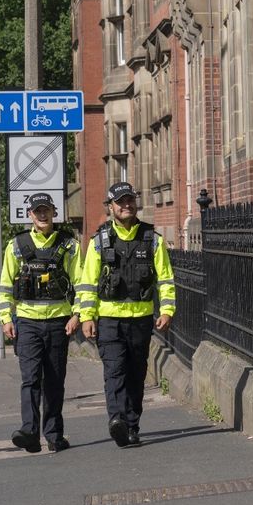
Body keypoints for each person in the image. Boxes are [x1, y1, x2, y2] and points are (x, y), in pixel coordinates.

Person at [78, 182, 176, 447]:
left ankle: (132, 426)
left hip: (141, 320)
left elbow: (165, 279)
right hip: (109, 320)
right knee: (115, 371)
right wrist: (87, 316)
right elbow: (87, 283)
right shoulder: (99, 241)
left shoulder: (152, 239)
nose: (126, 205)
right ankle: (117, 420)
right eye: (120, 202)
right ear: (111, 207)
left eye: (130, 200)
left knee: (136, 374)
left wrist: (166, 310)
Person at [0, 192, 81, 453]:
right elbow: (5, 286)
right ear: (30, 215)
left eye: (46, 210)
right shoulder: (16, 246)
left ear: (53, 212)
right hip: (26, 322)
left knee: (54, 381)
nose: (42, 215)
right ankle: (29, 432)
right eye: (37, 211)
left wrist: (77, 314)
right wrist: (5, 318)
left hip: (58, 322)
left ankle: (54, 435)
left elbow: (81, 283)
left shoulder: (69, 245)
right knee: (30, 379)